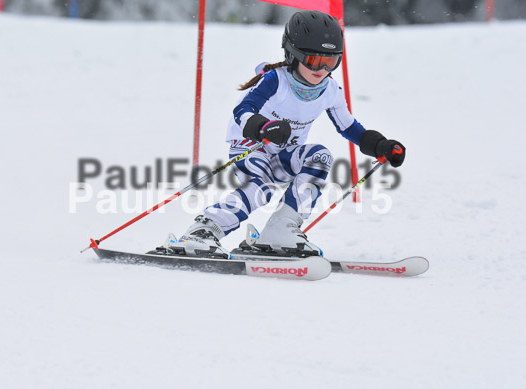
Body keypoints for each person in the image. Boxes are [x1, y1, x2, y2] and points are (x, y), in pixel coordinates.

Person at [166, 10, 405, 258]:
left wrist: (380, 146)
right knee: (263, 186)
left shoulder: (330, 90)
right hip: (251, 146)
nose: (321, 69)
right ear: (294, 54)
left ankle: (281, 229)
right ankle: (203, 230)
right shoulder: (275, 80)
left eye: (331, 61)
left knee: (320, 156)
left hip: (282, 154)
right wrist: (262, 127)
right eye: (313, 60)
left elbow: (348, 127)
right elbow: (243, 109)